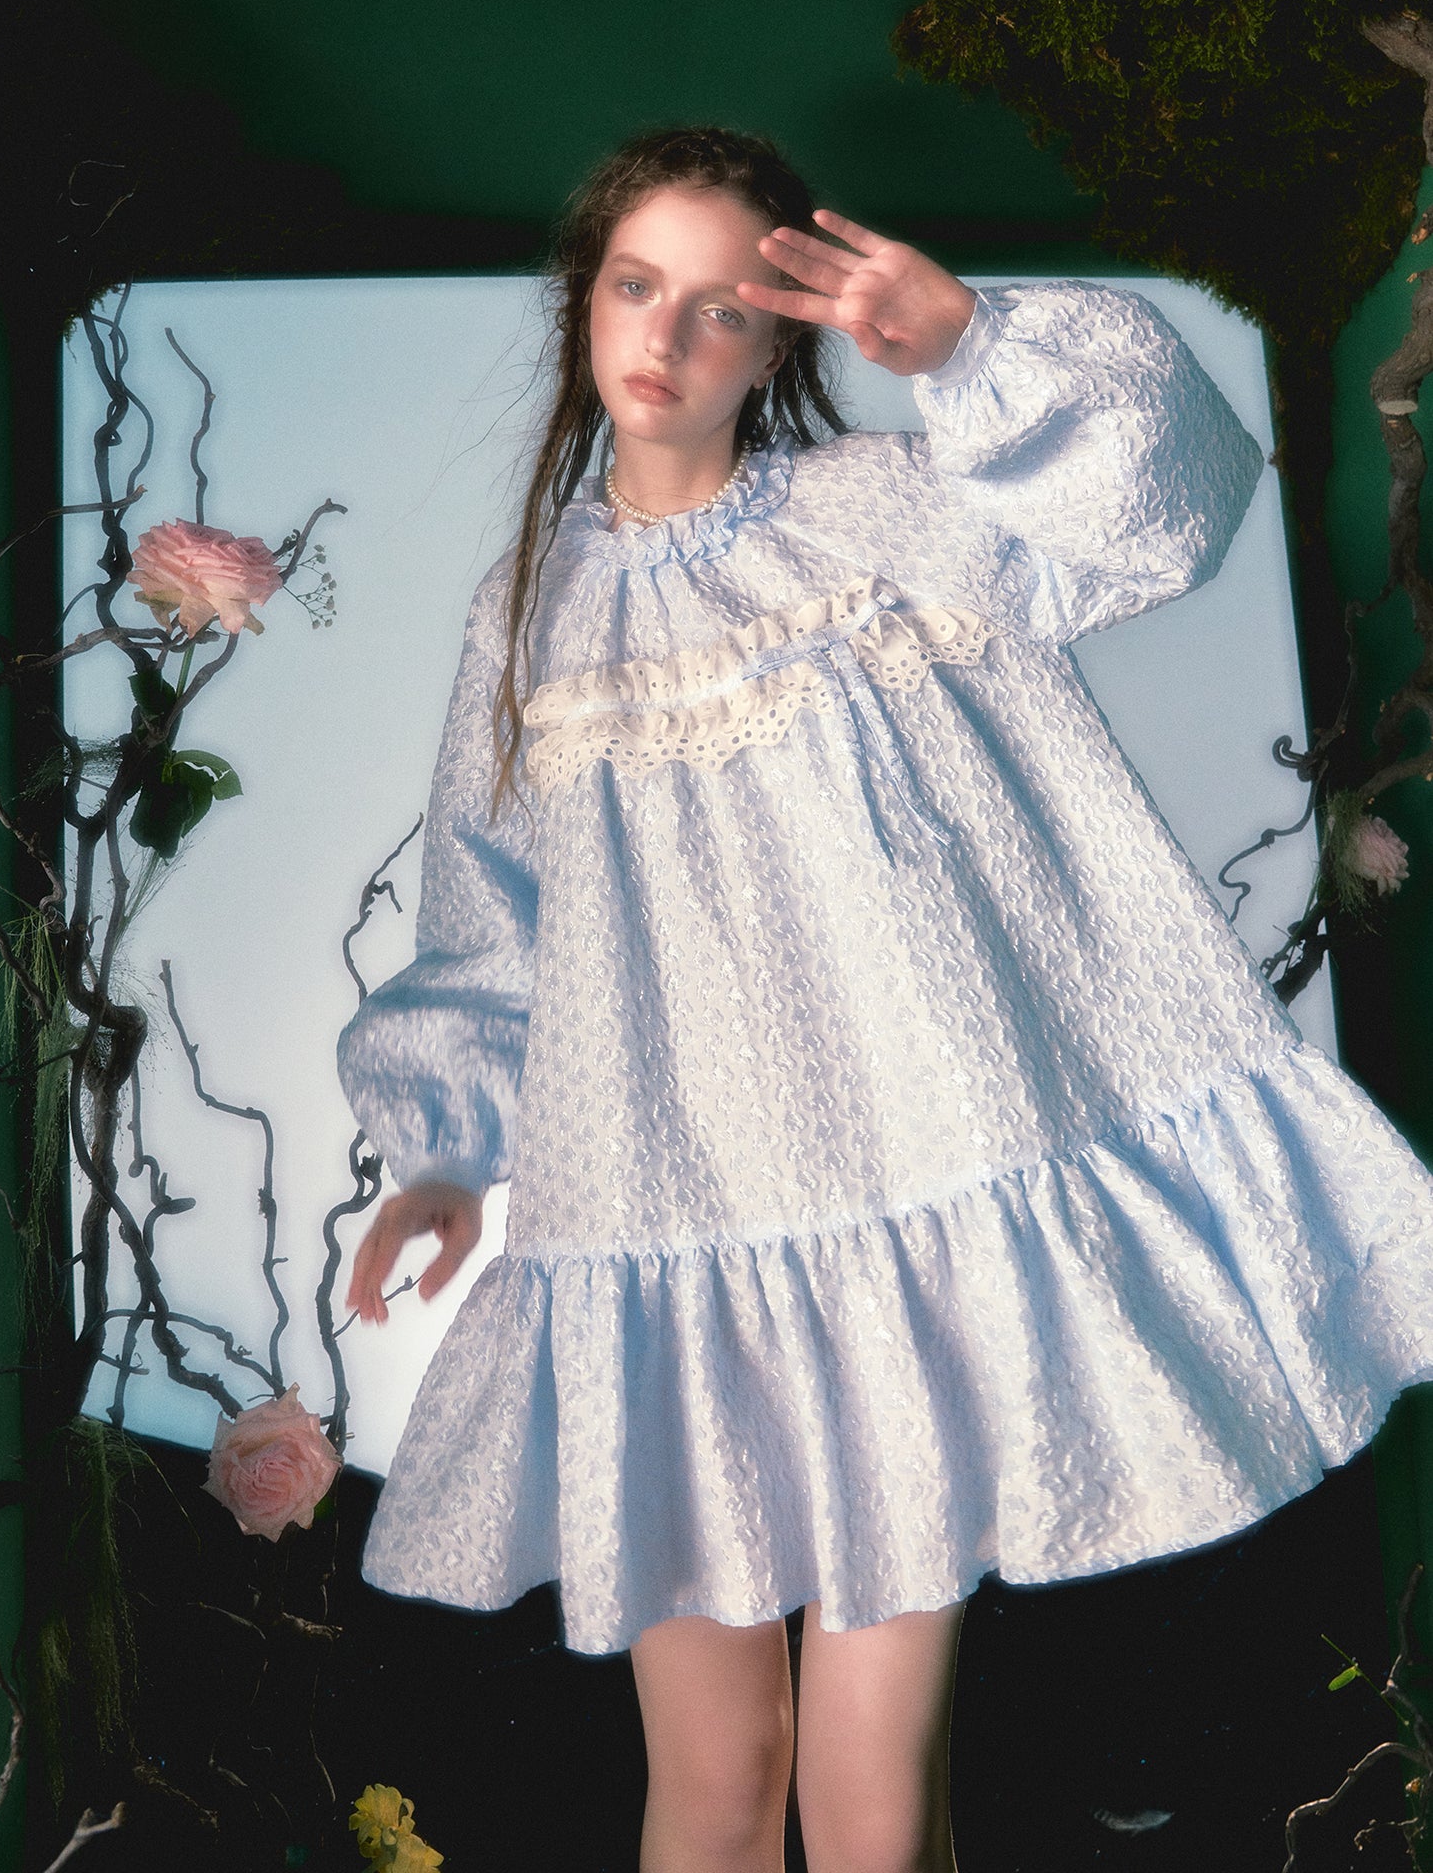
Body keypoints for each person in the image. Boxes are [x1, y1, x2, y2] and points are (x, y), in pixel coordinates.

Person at [339, 124, 1433, 1873]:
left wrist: (971, 348)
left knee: (867, 1791)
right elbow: (492, 906)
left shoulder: (887, 512)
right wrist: (445, 1153)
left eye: (717, 307)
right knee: (712, 1776)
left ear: (776, 338)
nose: (663, 337)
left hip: (894, 1191)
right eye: (635, 286)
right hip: (664, 1216)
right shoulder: (527, 610)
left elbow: (1163, 506)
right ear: (582, 300)